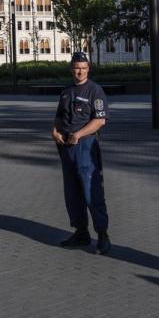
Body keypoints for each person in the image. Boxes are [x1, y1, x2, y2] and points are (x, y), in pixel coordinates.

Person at [53, 52, 111, 255]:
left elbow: (99, 121)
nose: (80, 71)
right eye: (77, 67)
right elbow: (60, 116)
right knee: (72, 192)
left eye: (84, 68)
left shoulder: (95, 91)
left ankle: (102, 235)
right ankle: (81, 232)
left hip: (85, 146)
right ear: (71, 68)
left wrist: (78, 134)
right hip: (66, 147)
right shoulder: (66, 92)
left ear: (88, 69)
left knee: (91, 191)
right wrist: (55, 131)